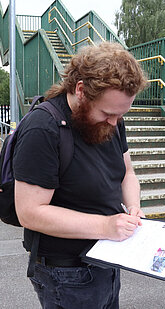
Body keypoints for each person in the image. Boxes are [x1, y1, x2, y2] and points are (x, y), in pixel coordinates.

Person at [13, 42, 147, 308]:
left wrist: (133, 207)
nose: (114, 122)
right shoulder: (43, 128)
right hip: (66, 272)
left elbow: (127, 173)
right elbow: (29, 212)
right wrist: (106, 227)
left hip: (107, 259)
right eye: (108, 113)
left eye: (121, 115)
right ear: (81, 90)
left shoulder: (114, 121)